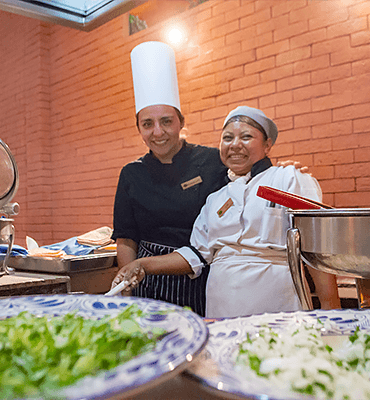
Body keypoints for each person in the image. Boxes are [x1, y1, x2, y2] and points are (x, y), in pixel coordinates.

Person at [112, 41, 314, 317]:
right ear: (138, 128)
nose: (158, 132)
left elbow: (250, 174)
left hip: (206, 280)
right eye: (147, 124)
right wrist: (132, 276)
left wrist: (288, 169)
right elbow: (127, 237)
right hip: (157, 275)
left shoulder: (213, 161)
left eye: (167, 121)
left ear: (181, 123)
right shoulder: (133, 173)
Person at [111, 105, 341, 318]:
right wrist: (142, 264)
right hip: (221, 302)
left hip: (275, 298)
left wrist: (334, 312)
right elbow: (197, 254)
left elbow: (316, 249)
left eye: (247, 137)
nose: (235, 145)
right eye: (228, 138)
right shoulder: (216, 198)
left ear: (268, 145)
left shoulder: (289, 178)